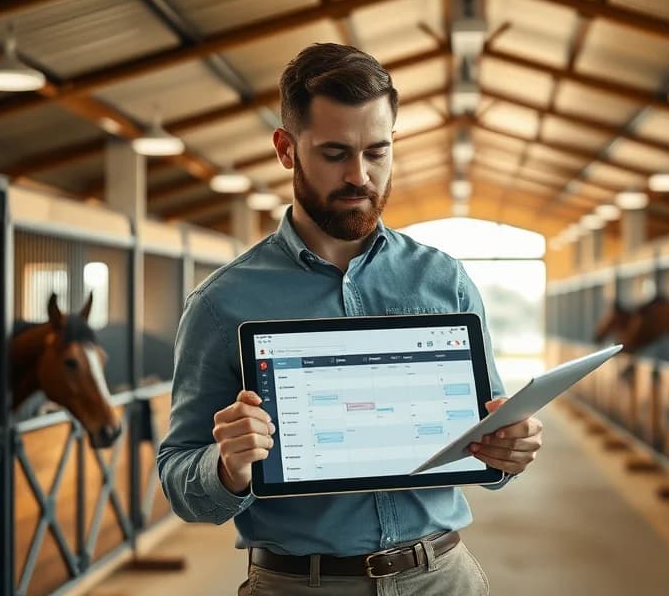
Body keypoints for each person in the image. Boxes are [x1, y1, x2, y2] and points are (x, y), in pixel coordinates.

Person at [157, 43, 544, 596]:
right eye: (335, 153)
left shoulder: (444, 279)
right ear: (286, 149)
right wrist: (226, 467)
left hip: (442, 578)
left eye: (377, 152)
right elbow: (179, 480)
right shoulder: (223, 303)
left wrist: (510, 449)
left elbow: (491, 432)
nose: (359, 176)